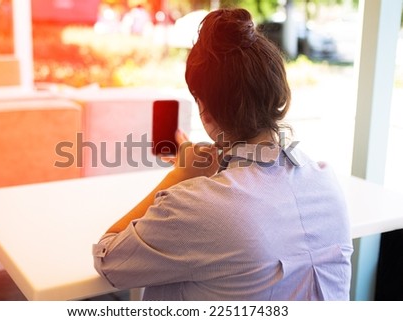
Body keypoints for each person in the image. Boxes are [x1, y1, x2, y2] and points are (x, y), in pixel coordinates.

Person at [93, 8, 353, 300]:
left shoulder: (197, 206)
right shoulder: (325, 182)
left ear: (204, 110)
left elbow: (109, 259)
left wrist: (181, 175)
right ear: (280, 95)